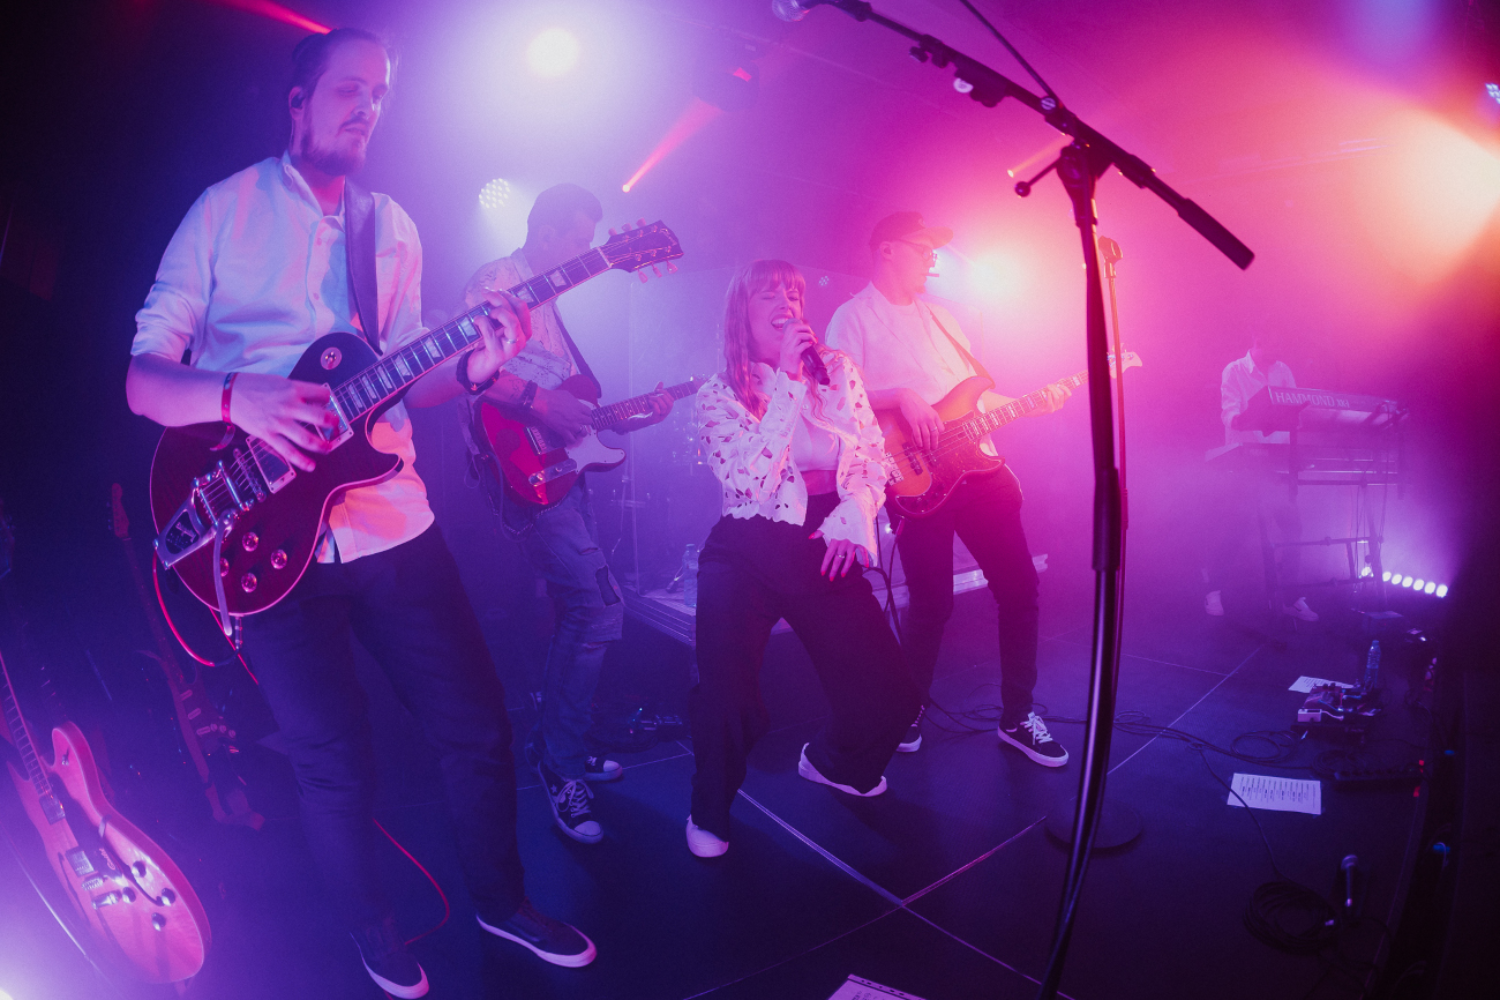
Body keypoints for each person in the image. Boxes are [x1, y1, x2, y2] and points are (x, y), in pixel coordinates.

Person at [125, 30, 594, 998]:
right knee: (332, 761)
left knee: (477, 728)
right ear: (298, 101)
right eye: (348, 90)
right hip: (259, 536)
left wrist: (474, 367)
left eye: (377, 95)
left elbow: (407, 376)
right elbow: (143, 379)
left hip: (392, 521)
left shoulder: (392, 227)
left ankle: (502, 904)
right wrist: (237, 398)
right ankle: (372, 931)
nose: (366, 108)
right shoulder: (222, 211)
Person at [459, 185, 674, 846]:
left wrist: (633, 416)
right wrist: (543, 406)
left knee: (582, 610)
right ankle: (559, 764)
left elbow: (575, 411)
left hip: (560, 473)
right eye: (578, 239)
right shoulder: (498, 281)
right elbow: (467, 370)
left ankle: (562, 747)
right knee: (597, 607)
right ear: (545, 232)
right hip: (519, 471)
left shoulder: (548, 304)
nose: (585, 253)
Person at [686, 259, 919, 858]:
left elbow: (871, 454)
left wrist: (854, 514)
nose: (787, 304)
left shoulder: (837, 370)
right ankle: (708, 809)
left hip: (824, 537)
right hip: (747, 545)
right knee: (729, 696)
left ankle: (833, 762)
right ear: (742, 313)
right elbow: (751, 479)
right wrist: (789, 383)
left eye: (793, 294)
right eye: (770, 295)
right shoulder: (717, 394)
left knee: (892, 695)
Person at [824, 212, 1070, 767]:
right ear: (887, 249)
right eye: (923, 248)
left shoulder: (944, 318)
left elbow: (974, 399)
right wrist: (900, 395)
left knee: (1020, 589)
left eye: (934, 252)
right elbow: (837, 397)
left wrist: (1034, 402)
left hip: (980, 471)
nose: (932, 259)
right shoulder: (852, 316)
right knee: (931, 602)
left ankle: (1018, 716)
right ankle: (905, 709)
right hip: (915, 476)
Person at [1204, 329, 1318, 621]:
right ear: (1258, 342)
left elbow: (1295, 412)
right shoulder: (1234, 371)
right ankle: (1212, 589)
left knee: (1292, 528)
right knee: (1237, 529)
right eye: (1275, 345)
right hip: (1245, 462)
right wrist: (1247, 419)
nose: (1279, 352)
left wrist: (1299, 418)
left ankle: (1291, 598)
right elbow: (1229, 413)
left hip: (1277, 463)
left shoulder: (1283, 370)